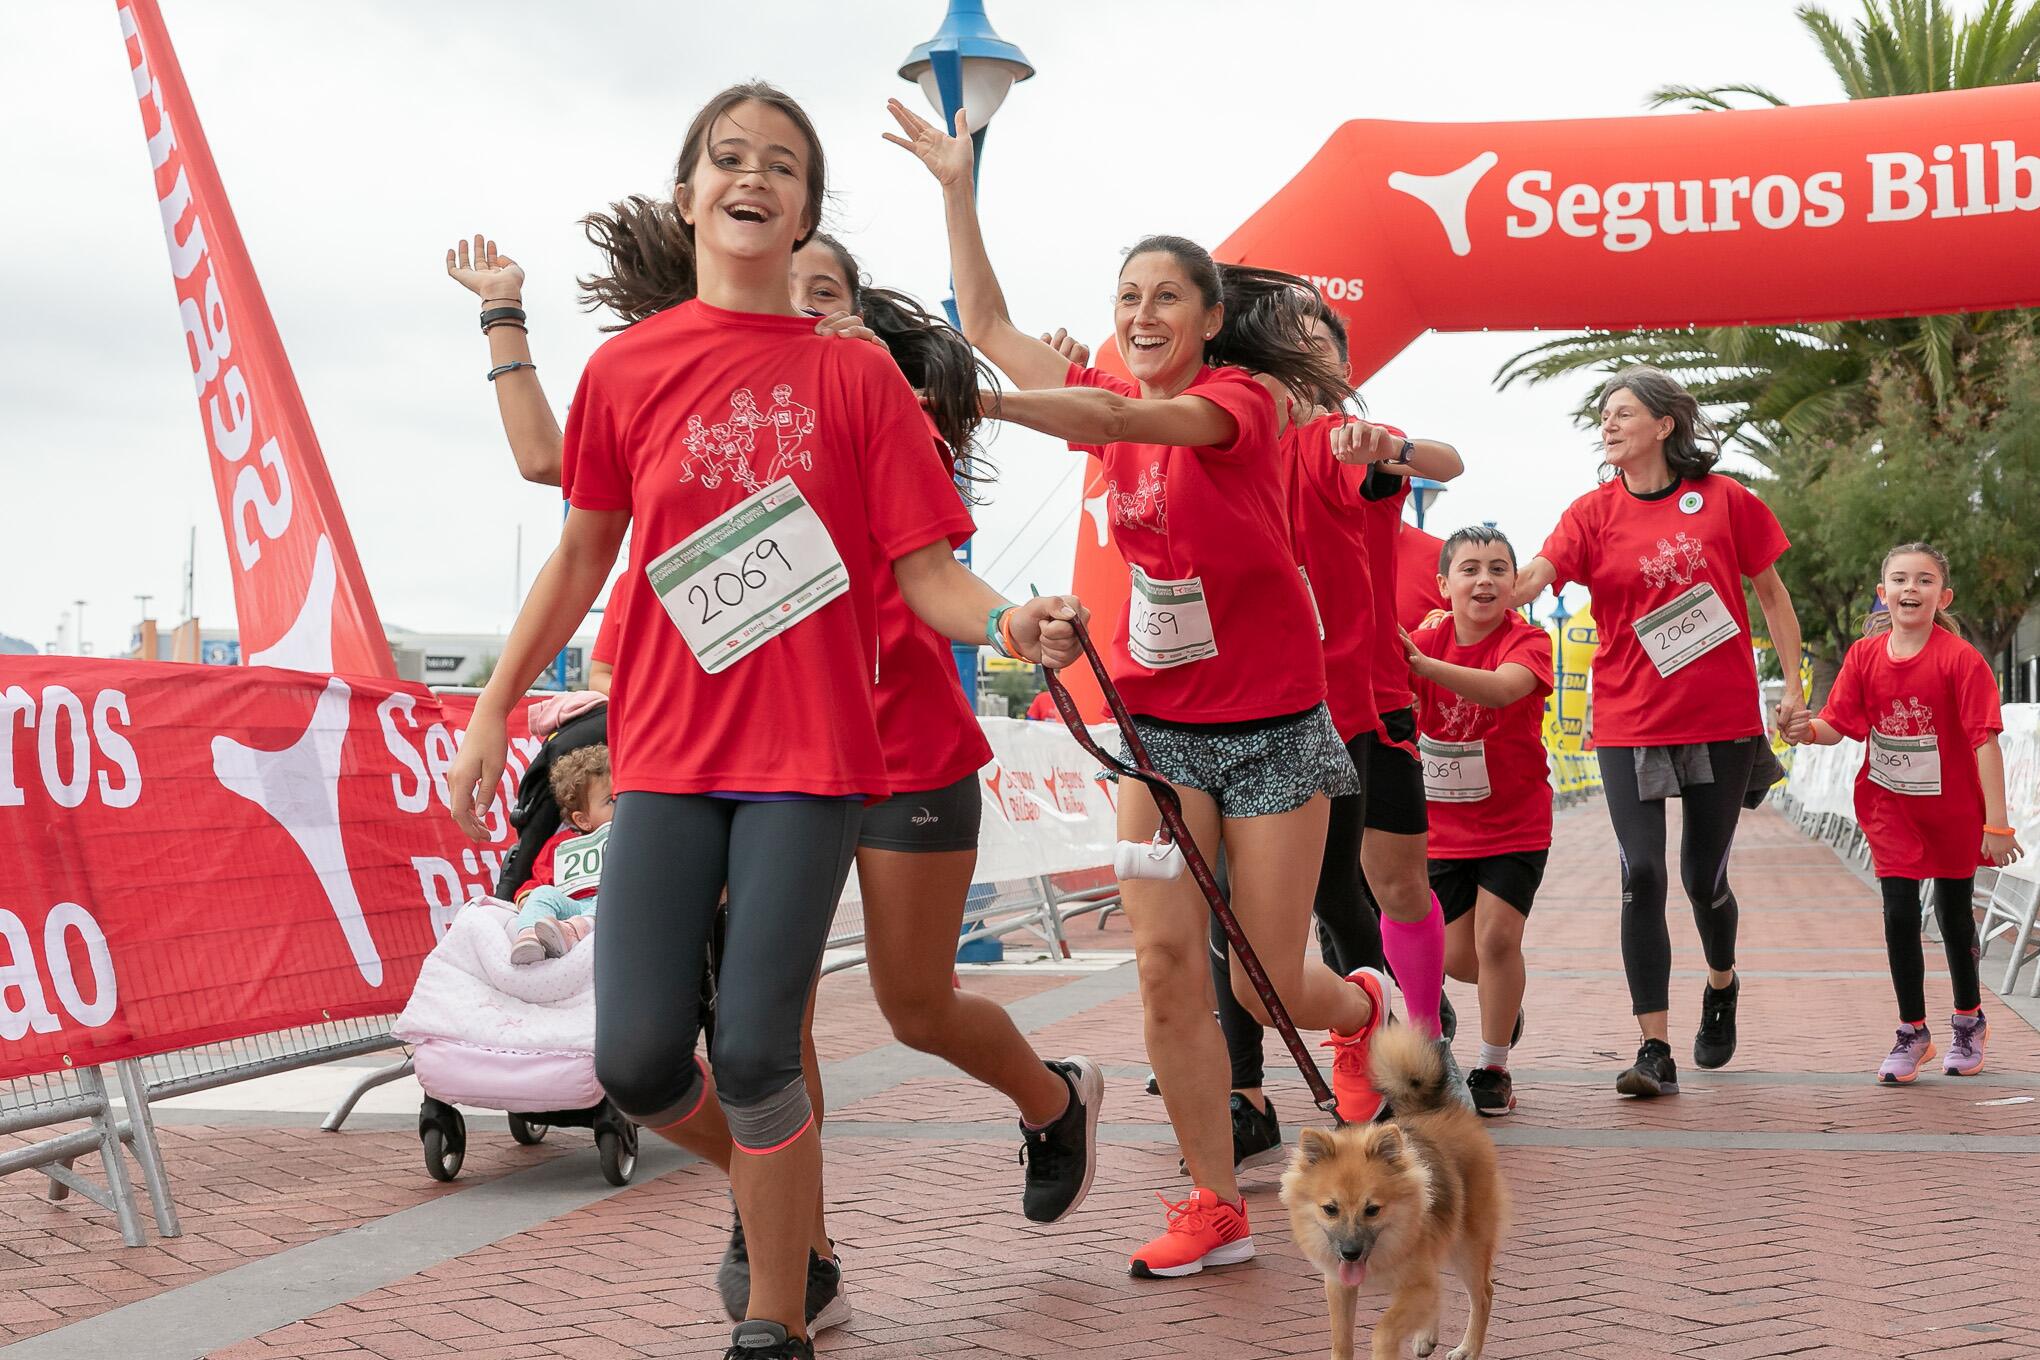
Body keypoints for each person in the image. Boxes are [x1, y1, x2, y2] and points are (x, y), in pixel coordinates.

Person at [445, 83, 1085, 1360]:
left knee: (755, 1049)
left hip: (814, 763)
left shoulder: (854, 379)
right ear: (689, 196)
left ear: (806, 212)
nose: (755, 176)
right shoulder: (632, 368)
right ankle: (784, 1208)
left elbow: (924, 574)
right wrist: (493, 708)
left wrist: (1009, 621)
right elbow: (578, 555)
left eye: (784, 165)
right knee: (634, 1063)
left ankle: (777, 1320)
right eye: (728, 158)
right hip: (670, 760)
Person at [890, 99, 1391, 1280]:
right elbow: (1000, 325)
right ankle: (1216, 1202)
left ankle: (1361, 1007)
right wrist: (959, 188)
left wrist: (983, 402)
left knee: (1268, 989)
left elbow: (1110, 412)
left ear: (1212, 317)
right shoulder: (1110, 379)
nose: (1140, 315)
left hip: (1273, 735)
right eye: (1127, 298)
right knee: (1168, 966)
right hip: (1157, 736)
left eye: (1166, 297)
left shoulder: (1243, 404)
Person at [1509, 365, 1805, 1099]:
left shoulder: (1726, 500)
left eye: (1622, 413)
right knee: (1640, 874)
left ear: (1665, 425)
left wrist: (1795, 690)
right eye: (1603, 416)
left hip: (1720, 719)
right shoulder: (1591, 512)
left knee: (1701, 881)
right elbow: (1537, 575)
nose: (1607, 425)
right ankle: (1654, 1049)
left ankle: (1722, 982)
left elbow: (1771, 595)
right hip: (1628, 719)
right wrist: (1484, 586)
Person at [1783, 542, 2022, 1082]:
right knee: (1897, 917)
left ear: (1943, 595)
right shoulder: (1864, 657)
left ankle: (1968, 1019)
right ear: (1882, 593)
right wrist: (1803, 730)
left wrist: (1997, 825)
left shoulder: (1961, 660)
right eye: (1899, 579)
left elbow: (1986, 742)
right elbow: (1836, 726)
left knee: (1954, 915)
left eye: (1924, 580)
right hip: (1890, 808)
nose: (1910, 589)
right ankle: (1913, 1031)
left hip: (1955, 810)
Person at [1406, 528, 1554, 1116]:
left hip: (1515, 822)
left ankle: (1493, 1065)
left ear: (1515, 585)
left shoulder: (1530, 640)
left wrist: (1422, 665)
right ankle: (1505, 999)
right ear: (1444, 585)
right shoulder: (1427, 636)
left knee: (1498, 940)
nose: (1485, 580)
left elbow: (1500, 691)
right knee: (1457, 958)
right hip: (1441, 829)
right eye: (1469, 569)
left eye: (1499, 569)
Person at [508, 744, 610, 964]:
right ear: (583, 819)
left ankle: (576, 931)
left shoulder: (633, 836)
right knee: (543, 893)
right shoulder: (560, 845)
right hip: (571, 906)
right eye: (611, 800)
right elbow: (539, 881)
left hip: (609, 906)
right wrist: (529, 897)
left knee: (613, 894)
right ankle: (529, 937)